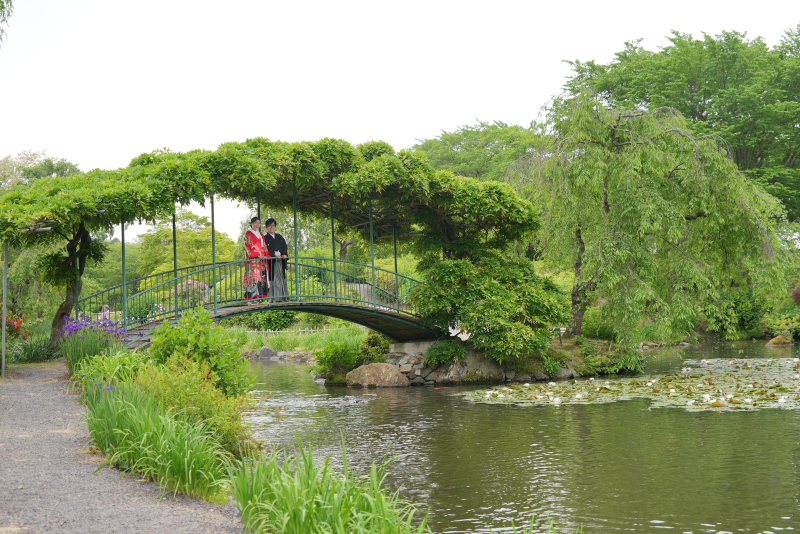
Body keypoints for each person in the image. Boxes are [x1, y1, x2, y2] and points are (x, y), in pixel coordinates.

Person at [243, 217, 270, 304]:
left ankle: (260, 299)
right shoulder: (248, 234)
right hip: (253, 260)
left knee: (261, 279)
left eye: (259, 223)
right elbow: (248, 247)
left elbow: (264, 246)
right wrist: (257, 255)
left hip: (261, 261)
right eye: (255, 223)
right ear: (251, 224)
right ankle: (251, 300)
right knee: (252, 278)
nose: (257, 225)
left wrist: (266, 255)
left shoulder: (261, 234)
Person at [264, 217, 289, 302]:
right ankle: (271, 299)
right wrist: (273, 255)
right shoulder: (265, 238)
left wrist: (284, 254)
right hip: (271, 262)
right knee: (272, 279)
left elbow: (284, 246)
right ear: (267, 227)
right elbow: (265, 249)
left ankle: (281, 298)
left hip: (280, 261)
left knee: (281, 279)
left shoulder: (279, 237)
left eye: (273, 225)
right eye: (270, 226)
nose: (272, 227)